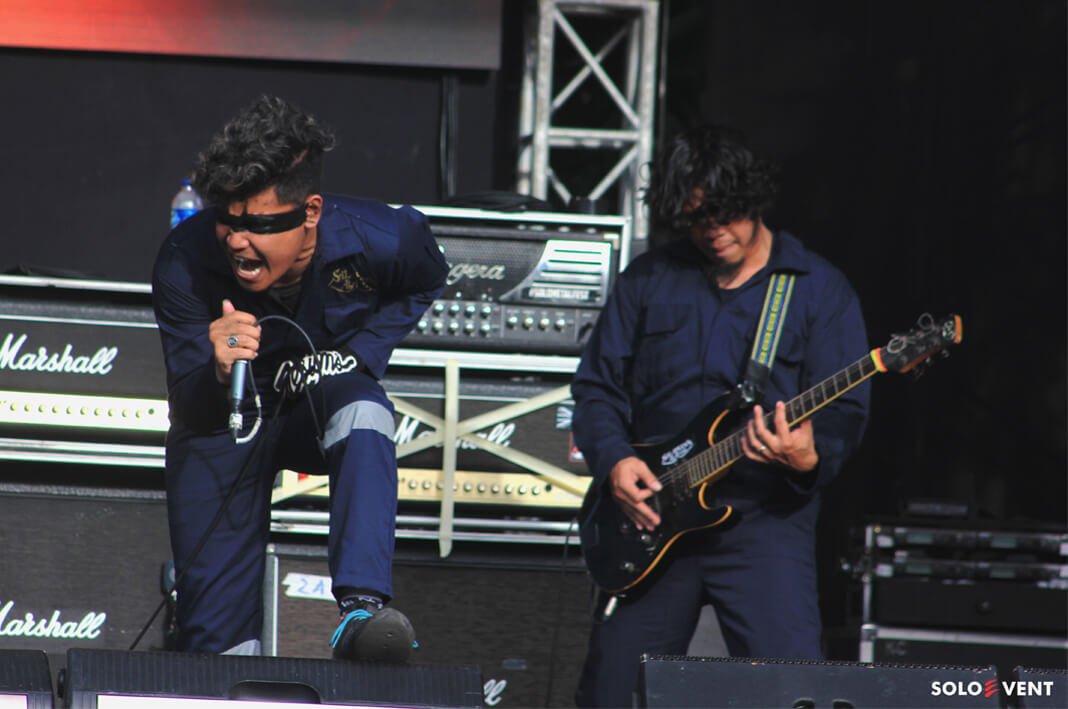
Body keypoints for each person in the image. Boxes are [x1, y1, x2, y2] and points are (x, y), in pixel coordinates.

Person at [570, 125, 871, 706]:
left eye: (724, 214)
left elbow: (846, 413)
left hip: (765, 521)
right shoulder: (650, 280)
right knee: (611, 692)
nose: (712, 230)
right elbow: (597, 388)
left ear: (753, 199)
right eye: (695, 218)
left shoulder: (818, 290)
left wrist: (808, 455)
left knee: (793, 692)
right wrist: (616, 461)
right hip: (655, 519)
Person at [152, 95, 447, 661]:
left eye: (258, 225)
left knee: (365, 410)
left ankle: (361, 610)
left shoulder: (382, 236)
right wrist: (217, 368)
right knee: (217, 650)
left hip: (319, 396)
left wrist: (358, 356)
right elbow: (189, 406)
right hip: (228, 419)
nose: (237, 241)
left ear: (310, 212)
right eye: (228, 220)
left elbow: (427, 277)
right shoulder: (182, 259)